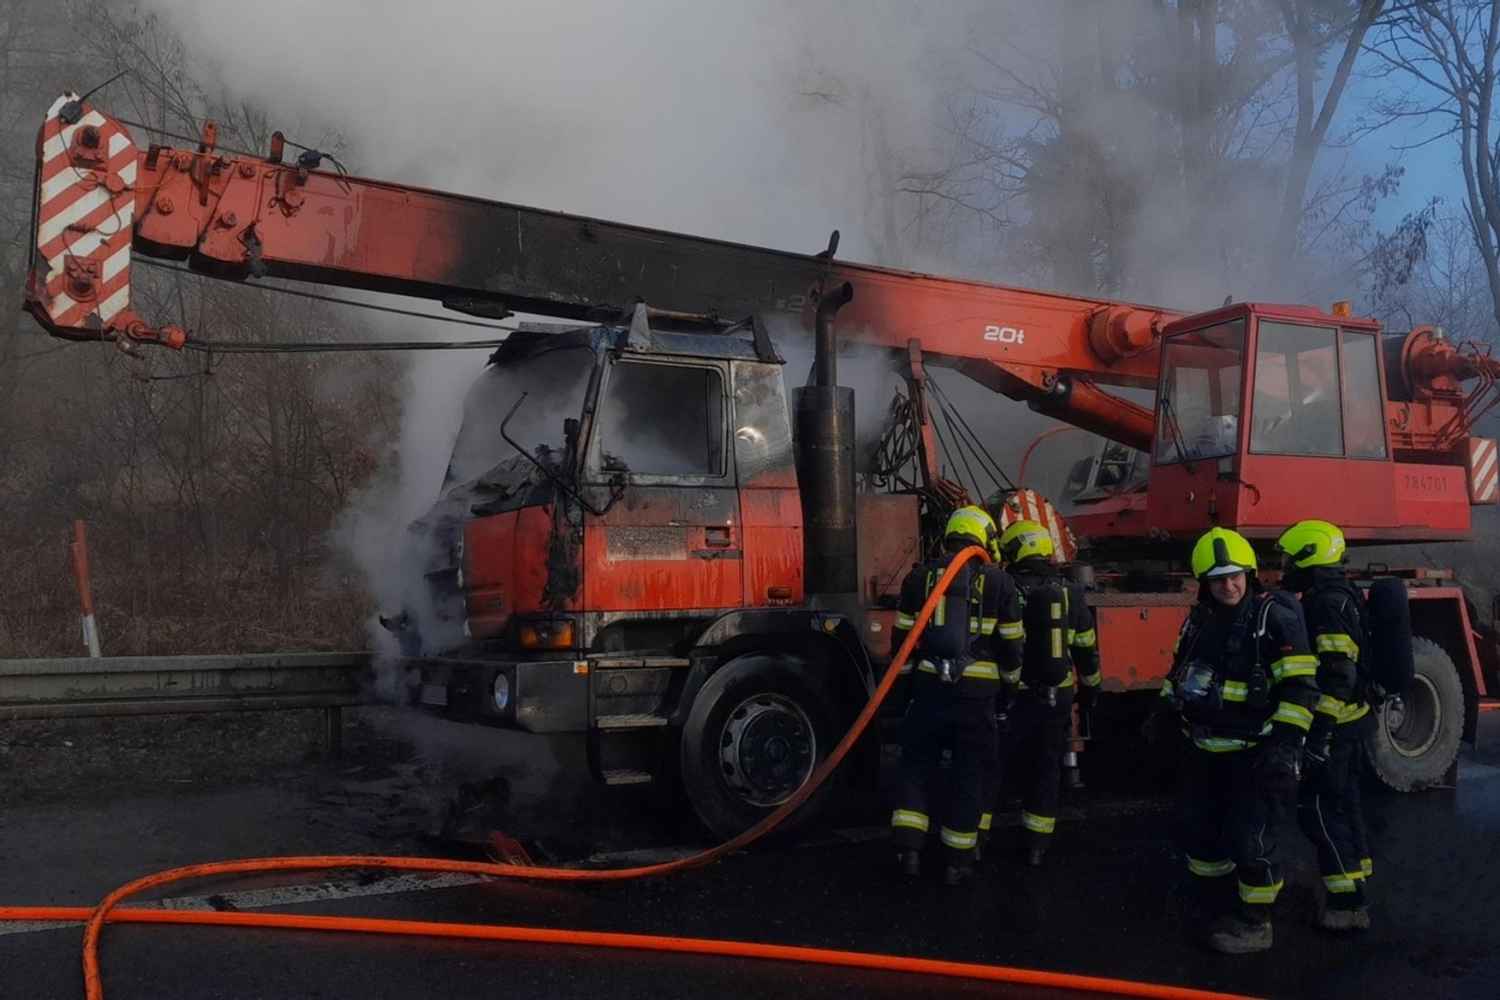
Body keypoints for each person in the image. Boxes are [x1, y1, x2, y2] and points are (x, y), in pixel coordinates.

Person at [1152, 527, 1319, 954]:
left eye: (1234, 576)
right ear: (1204, 584)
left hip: (1254, 753)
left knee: (1253, 840)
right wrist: (1163, 713)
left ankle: (1256, 923)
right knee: (1202, 833)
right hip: (1205, 752)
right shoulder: (1199, 621)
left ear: (1249, 574)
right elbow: (1180, 673)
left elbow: (1300, 688)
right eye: (1218, 580)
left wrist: (1285, 747)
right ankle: (1214, 905)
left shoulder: (1272, 619)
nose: (1228, 586)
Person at [889, 505, 1023, 886]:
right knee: (970, 773)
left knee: (916, 765)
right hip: (977, 699)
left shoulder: (919, 578)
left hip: (929, 690)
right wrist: (1009, 690)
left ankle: (909, 851)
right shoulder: (1000, 583)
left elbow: (902, 643)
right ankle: (957, 862)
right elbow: (1012, 646)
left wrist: (905, 692)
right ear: (985, 538)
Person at [1277, 519, 1375, 931]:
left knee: (1317, 811)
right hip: (1351, 725)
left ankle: (1347, 905)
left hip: (1337, 727)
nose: (1284, 567)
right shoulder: (1337, 594)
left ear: (1309, 556)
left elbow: (1338, 676)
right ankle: (1355, 879)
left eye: (1289, 560)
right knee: (1343, 806)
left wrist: (1319, 736)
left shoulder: (1326, 604)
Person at [991, 519, 1101, 867]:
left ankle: (979, 839)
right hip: (1057, 694)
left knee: (994, 762)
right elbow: (1085, 646)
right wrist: (1091, 689)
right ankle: (1036, 845)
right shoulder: (1071, 591)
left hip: (1014, 694)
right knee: (1046, 767)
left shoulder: (1004, 587)